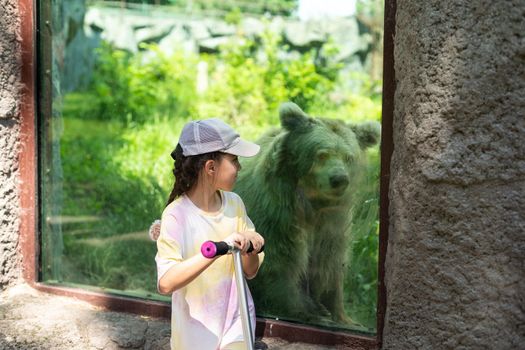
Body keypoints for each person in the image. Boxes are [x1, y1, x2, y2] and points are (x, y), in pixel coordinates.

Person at [154, 118, 265, 350]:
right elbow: (166, 283)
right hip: (195, 334)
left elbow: (250, 270)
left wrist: (251, 246)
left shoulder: (235, 204)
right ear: (211, 167)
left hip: (237, 323)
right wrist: (215, 250)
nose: (239, 167)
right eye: (234, 160)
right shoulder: (177, 215)